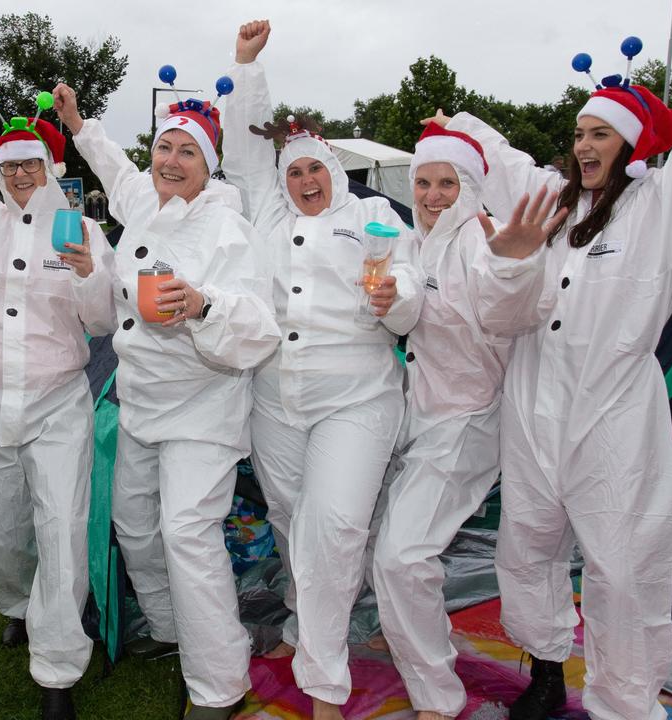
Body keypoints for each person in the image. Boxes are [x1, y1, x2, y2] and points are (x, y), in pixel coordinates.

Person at [433, 3, 672, 718]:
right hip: (532, 401)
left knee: (622, 567)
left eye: (600, 133)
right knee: (526, 549)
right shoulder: (550, 204)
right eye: (579, 132)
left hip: (612, 410)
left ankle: (625, 701)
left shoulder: (662, 206)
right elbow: (507, 171)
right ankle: (546, 665)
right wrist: (460, 126)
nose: (584, 145)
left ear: (632, 145)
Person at [52, 80, 281, 720]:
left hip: (203, 407)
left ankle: (218, 683)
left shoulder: (228, 229)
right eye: (164, 149)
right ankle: (171, 626)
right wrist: (78, 124)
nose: (170, 161)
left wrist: (205, 304)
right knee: (133, 521)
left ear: (209, 167)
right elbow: (116, 169)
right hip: (140, 401)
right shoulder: (147, 207)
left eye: (187, 153)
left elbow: (261, 326)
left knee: (186, 532)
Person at [221, 21, 423, 720]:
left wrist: (396, 299)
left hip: (359, 395)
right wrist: (248, 68)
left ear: (334, 170)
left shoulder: (372, 215)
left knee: (335, 524)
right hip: (277, 396)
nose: (304, 180)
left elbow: (407, 296)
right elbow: (247, 152)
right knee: (289, 518)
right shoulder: (269, 217)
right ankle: (310, 626)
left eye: (314, 169)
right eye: (294, 171)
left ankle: (324, 683)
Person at [369, 125, 564, 720]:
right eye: (423, 182)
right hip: (419, 413)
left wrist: (514, 264)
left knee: (401, 556)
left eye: (446, 183)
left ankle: (436, 694)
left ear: (472, 185)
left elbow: (513, 312)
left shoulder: (482, 243)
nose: (431, 195)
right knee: (384, 535)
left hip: (468, 421)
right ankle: (410, 630)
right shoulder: (417, 241)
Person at [0, 100, 113, 719]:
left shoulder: (82, 231)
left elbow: (102, 321)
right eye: (10, 168)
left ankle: (57, 667)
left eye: (31, 164)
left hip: (58, 399)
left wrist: (88, 274)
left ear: (51, 166)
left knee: (60, 528)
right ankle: (16, 604)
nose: (20, 176)